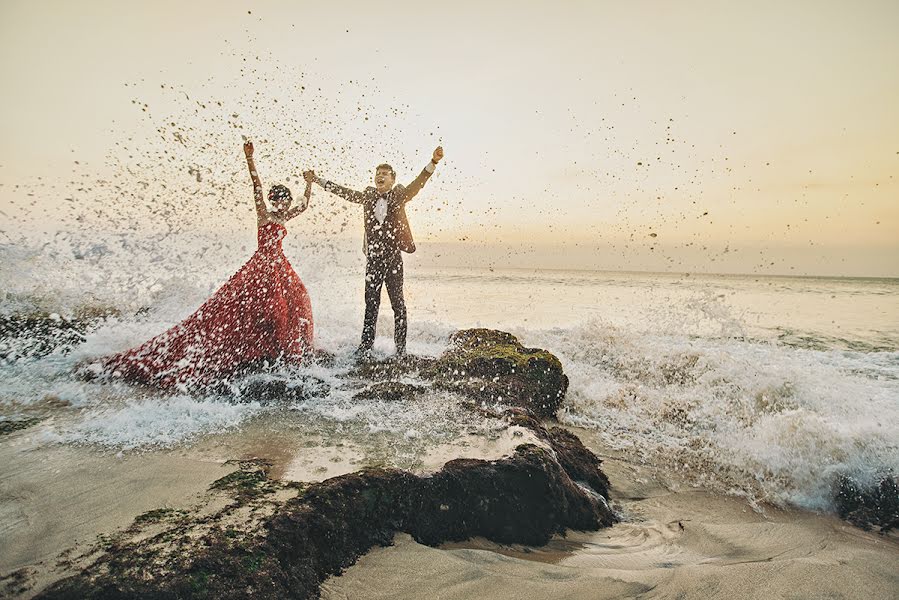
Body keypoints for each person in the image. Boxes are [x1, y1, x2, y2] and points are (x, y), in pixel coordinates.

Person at [102, 140, 314, 388]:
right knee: (267, 309)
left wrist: (309, 182)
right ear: (272, 200)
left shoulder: (285, 216)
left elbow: (305, 204)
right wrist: (249, 158)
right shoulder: (264, 214)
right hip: (262, 266)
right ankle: (254, 353)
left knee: (296, 301)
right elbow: (256, 185)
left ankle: (279, 354)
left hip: (280, 267)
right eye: (279, 200)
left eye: (285, 201)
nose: (283, 205)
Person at [304, 146, 443, 357]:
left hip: (394, 259)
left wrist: (433, 161)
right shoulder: (368, 197)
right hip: (374, 260)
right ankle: (366, 347)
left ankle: (401, 350)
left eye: (384, 174)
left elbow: (419, 183)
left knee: (399, 305)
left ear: (392, 179)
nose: (380, 176)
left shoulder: (399, 195)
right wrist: (317, 180)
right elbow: (343, 192)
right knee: (371, 305)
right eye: (378, 174)